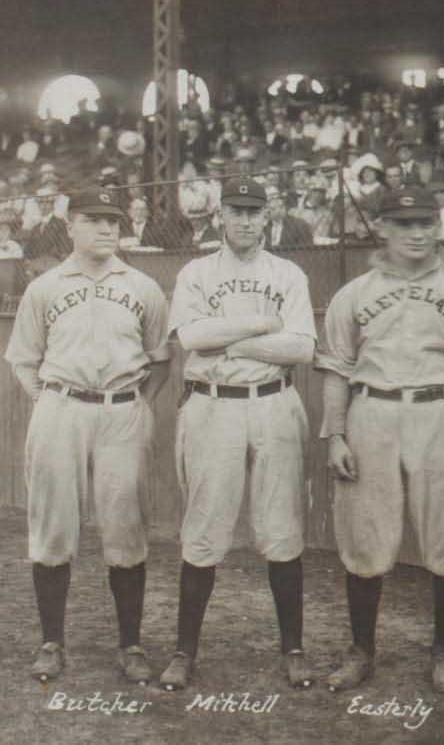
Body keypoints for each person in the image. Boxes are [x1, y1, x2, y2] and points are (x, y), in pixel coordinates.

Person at [312, 188, 444, 694]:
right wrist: (336, 436)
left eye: (425, 224)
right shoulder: (356, 292)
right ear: (383, 229)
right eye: (404, 224)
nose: (417, 234)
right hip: (373, 409)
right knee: (364, 538)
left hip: (440, 410)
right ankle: (361, 650)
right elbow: (336, 370)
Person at [156, 180, 321, 691]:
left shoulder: (287, 272)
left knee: (282, 529)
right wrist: (260, 324)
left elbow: (301, 350)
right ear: (221, 216)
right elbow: (192, 339)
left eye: (254, 211)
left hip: (273, 401)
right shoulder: (197, 272)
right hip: (213, 406)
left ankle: (293, 648)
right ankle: (185, 651)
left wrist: (234, 344)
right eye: (236, 211)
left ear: (266, 217)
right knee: (203, 530)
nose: (246, 220)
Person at [11, 190, 169, 686]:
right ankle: (51, 643)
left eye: (114, 220)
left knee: (125, 527)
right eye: (94, 220)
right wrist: (48, 399)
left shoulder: (143, 286)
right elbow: (22, 358)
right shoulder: (46, 286)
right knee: (53, 527)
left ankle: (131, 645)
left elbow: (160, 359)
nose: (106, 229)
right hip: (61, 406)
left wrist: (139, 402)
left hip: (122, 409)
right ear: (70, 225)